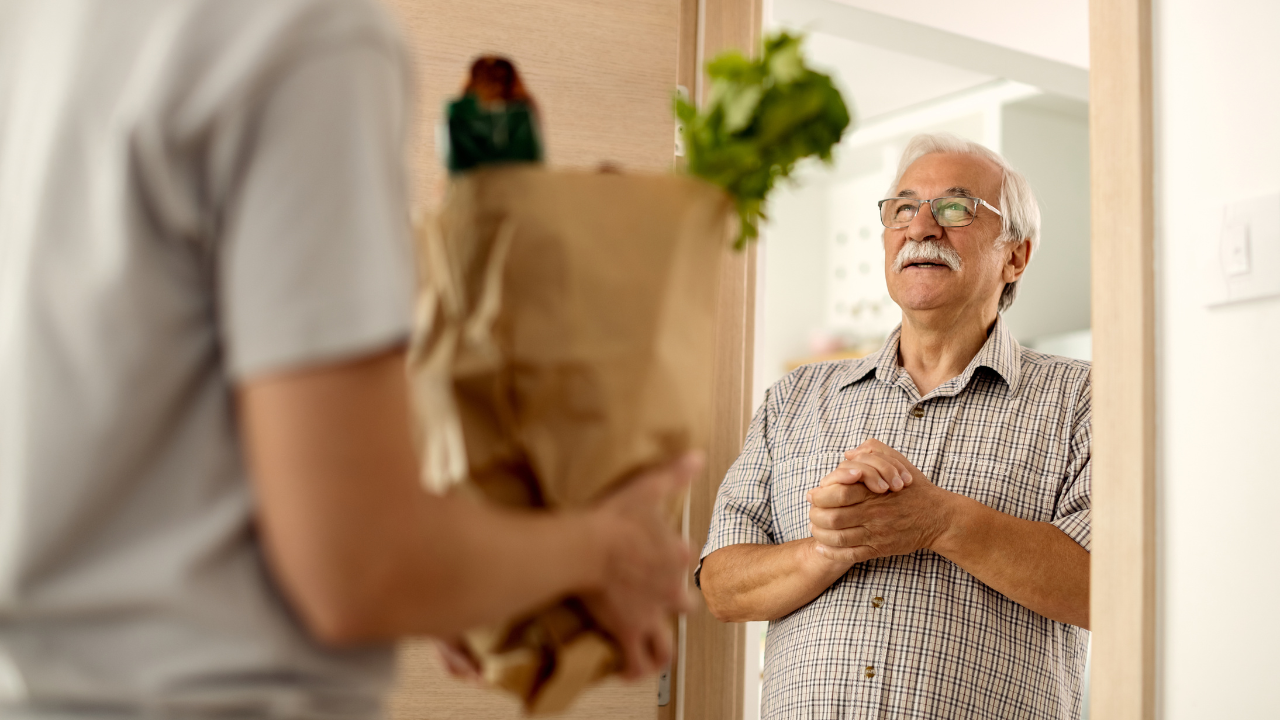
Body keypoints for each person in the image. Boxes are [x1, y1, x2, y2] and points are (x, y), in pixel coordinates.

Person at [0, 0, 693, 717]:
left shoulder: (38, 24)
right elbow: (361, 566)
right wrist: (604, 555)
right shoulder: (300, 35)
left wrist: (463, 573)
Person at [698, 133, 1091, 719]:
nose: (921, 228)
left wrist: (941, 522)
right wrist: (832, 548)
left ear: (1016, 256)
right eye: (903, 209)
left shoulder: (1082, 397)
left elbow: (1109, 590)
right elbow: (722, 586)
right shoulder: (795, 399)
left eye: (955, 209)